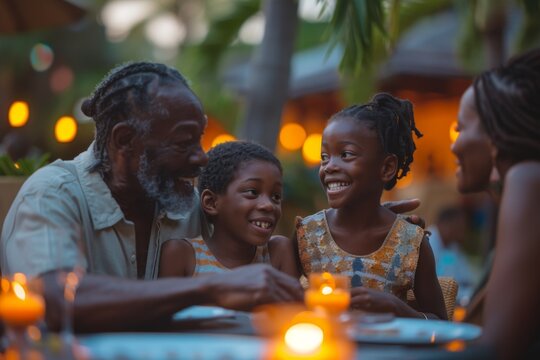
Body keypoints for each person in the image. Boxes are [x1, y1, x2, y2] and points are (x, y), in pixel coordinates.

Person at [0, 62, 304, 332]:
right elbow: (55, 299)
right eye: (184, 142)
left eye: (199, 140)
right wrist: (208, 288)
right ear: (125, 140)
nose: (201, 158)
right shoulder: (51, 194)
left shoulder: (187, 204)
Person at [294, 93, 447, 319]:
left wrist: (399, 309)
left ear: (386, 168)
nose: (330, 167)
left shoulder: (410, 242)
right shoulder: (306, 235)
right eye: (325, 156)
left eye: (346, 155)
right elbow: (285, 309)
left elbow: (441, 323)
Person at [451, 48, 540, 358]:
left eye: (460, 128)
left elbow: (495, 351)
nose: (453, 145)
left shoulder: (529, 179)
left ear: (495, 136)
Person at [158, 141, 298, 277]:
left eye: (276, 196)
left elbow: (293, 301)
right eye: (252, 192)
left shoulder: (277, 253)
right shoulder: (182, 256)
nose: (268, 205)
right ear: (211, 202)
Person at [428, 206, 478, 305]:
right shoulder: (427, 242)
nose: (462, 233)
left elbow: (465, 277)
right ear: (444, 224)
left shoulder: (452, 246)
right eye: (458, 228)